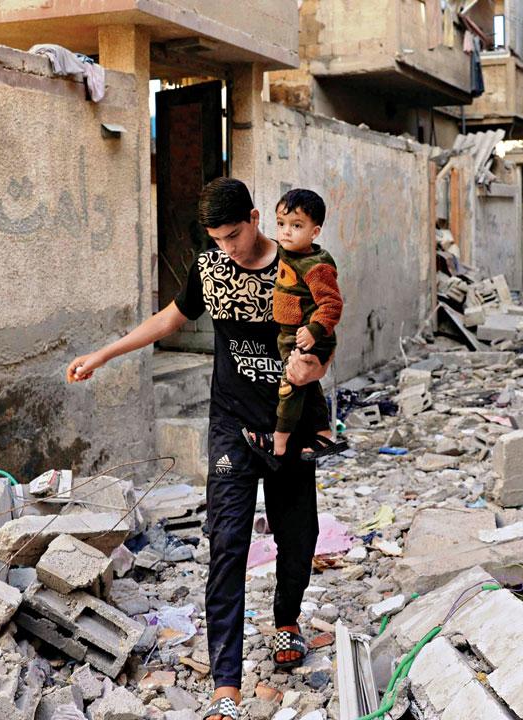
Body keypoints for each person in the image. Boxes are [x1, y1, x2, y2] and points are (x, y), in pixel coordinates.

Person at [66, 178, 328, 720]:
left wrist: (315, 364)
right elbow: (171, 319)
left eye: (234, 235)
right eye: (217, 239)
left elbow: (323, 338)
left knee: (297, 535)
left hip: (291, 421)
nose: (227, 249)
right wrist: (106, 353)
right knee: (227, 543)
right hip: (231, 423)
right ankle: (226, 688)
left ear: (256, 218)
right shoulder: (209, 268)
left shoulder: (300, 265)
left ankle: (286, 623)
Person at [243, 189, 347, 465]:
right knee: (308, 387)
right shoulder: (288, 250)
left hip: (310, 336)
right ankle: (324, 434)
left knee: (289, 387)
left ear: (314, 232)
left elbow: (332, 305)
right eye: (281, 224)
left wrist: (314, 330)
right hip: (291, 334)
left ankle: (277, 441)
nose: (286, 232)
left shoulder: (316, 266)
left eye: (296, 226)